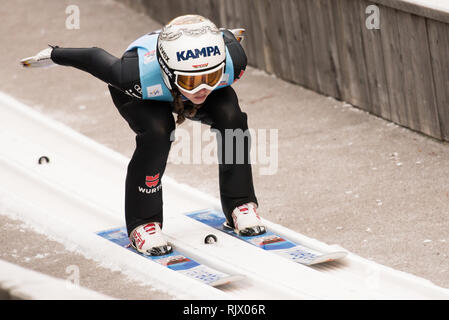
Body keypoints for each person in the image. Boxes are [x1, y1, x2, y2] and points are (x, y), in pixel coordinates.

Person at [21, 14, 265, 256]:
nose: (202, 89)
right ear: (170, 72)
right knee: (158, 132)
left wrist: (208, 58)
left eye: (211, 77)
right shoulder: (131, 75)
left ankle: (240, 203)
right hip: (144, 93)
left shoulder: (234, 61)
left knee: (232, 119)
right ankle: (143, 223)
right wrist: (55, 54)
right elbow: (93, 56)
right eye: (192, 81)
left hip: (180, 76)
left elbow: (225, 40)